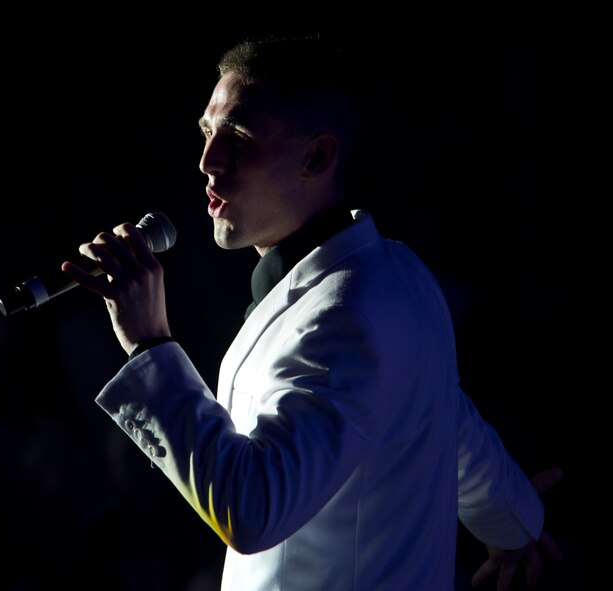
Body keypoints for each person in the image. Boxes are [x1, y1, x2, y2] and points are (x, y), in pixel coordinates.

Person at [61, 35, 563, 591]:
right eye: (207, 133)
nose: (208, 162)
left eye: (239, 138)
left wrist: (150, 345)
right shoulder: (398, 272)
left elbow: (252, 509)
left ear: (318, 157)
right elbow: (447, 417)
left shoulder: (345, 313)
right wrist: (515, 521)